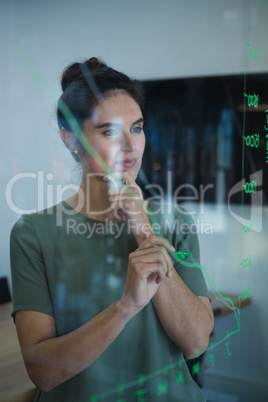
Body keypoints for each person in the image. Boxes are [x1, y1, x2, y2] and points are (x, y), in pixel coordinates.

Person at [10, 57, 214, 402]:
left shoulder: (175, 222)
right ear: (71, 140)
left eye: (136, 127)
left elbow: (196, 342)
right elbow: (43, 373)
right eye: (109, 131)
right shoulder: (33, 234)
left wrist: (145, 233)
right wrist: (125, 307)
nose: (131, 147)